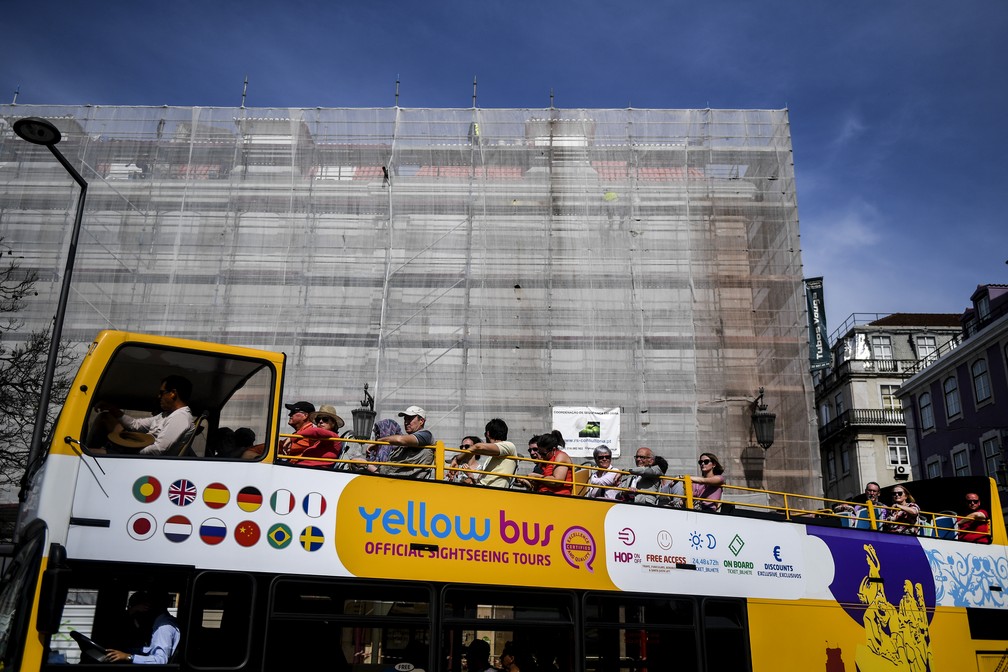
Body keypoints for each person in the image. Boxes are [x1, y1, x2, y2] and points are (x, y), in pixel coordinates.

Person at [96, 375, 195, 455]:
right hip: (136, 451)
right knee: (105, 417)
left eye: (162, 392)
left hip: (141, 459)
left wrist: (126, 452)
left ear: (173, 393)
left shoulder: (180, 417)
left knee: (90, 453)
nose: (159, 396)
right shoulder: (166, 415)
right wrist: (112, 409)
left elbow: (158, 449)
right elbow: (135, 425)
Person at [102, 590, 180, 664]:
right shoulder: (160, 622)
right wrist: (127, 651)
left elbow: (160, 660)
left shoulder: (163, 627)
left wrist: (129, 657)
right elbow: (150, 650)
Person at [451, 418, 518, 488]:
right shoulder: (491, 459)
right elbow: (481, 482)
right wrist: (471, 475)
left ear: (487, 433)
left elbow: (478, 447)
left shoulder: (510, 446)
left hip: (493, 492)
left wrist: (457, 459)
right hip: (482, 490)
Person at [278, 401, 341, 468]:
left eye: (325, 419)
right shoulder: (320, 440)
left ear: (333, 423)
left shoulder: (334, 437)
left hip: (312, 471)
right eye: (318, 419)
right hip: (304, 469)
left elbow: (315, 431)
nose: (320, 421)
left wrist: (292, 438)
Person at [379, 405, 436, 478]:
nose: (406, 422)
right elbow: (384, 470)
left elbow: (400, 440)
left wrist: (378, 442)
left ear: (421, 421)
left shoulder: (426, 435)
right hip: (392, 480)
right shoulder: (405, 444)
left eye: (410, 419)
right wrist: (366, 464)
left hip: (408, 483)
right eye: (405, 419)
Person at [535, 430, 573, 495]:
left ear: (553, 449)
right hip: (543, 493)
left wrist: (537, 477)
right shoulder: (545, 460)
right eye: (539, 453)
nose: (541, 456)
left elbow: (557, 481)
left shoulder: (560, 457)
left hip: (558, 495)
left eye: (544, 454)